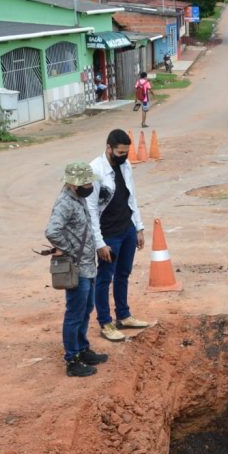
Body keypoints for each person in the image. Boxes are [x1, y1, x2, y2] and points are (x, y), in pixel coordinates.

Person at [45, 162, 109, 377]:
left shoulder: (78, 198)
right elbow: (52, 231)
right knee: (75, 314)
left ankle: (82, 349)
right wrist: (68, 250)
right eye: (86, 182)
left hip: (88, 266)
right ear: (73, 183)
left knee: (86, 309)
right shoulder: (65, 203)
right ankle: (72, 359)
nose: (90, 185)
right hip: (77, 267)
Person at [86, 129, 149, 342]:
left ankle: (123, 315)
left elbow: (131, 196)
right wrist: (99, 243)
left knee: (124, 274)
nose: (124, 156)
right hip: (108, 235)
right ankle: (105, 322)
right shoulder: (95, 170)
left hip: (127, 229)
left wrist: (138, 227)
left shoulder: (125, 165)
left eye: (126, 152)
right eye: (121, 152)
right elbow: (91, 210)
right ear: (109, 148)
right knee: (105, 278)